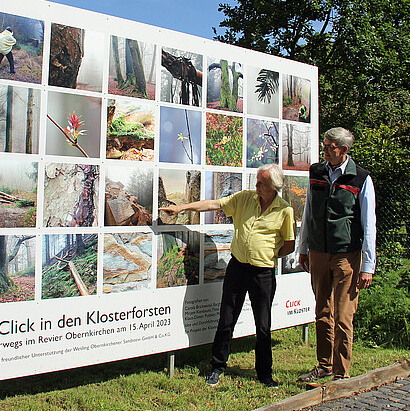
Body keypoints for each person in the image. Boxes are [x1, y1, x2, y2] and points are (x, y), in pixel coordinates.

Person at [159, 164, 295, 388]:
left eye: (261, 182)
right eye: (257, 181)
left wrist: (268, 255)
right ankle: (217, 367)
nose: (256, 185)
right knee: (226, 319)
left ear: (273, 187)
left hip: (263, 273)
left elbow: (289, 244)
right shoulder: (245, 198)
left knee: (263, 326)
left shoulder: (285, 211)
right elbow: (214, 204)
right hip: (237, 267)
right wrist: (182, 207)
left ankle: (265, 374)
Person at [296, 127, 376, 382]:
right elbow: (308, 211)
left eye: (330, 147)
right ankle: (324, 365)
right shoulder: (316, 172)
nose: (325, 150)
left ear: (344, 150)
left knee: (343, 316)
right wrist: (303, 247)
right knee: (322, 311)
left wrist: (368, 266)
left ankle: (341, 373)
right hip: (318, 252)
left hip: (346, 256)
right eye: (324, 145)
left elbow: (369, 223)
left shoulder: (361, 178)